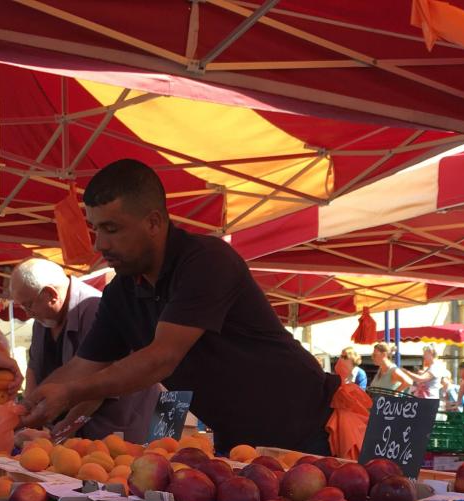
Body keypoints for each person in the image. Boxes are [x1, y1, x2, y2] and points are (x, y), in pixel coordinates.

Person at [22, 159, 340, 454]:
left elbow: (162, 358)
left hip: (308, 431)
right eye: (95, 229)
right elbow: (83, 365)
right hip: (240, 443)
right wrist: (22, 410)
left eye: (111, 229)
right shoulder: (120, 293)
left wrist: (70, 393)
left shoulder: (206, 261)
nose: (99, 245)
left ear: (154, 222)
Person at [10, 259, 159, 443]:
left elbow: (96, 388)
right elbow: (34, 368)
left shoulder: (96, 308)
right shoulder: (42, 320)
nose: (27, 313)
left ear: (51, 294)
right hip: (68, 435)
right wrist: (27, 413)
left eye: (28, 305)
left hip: (114, 433)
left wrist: (58, 435)